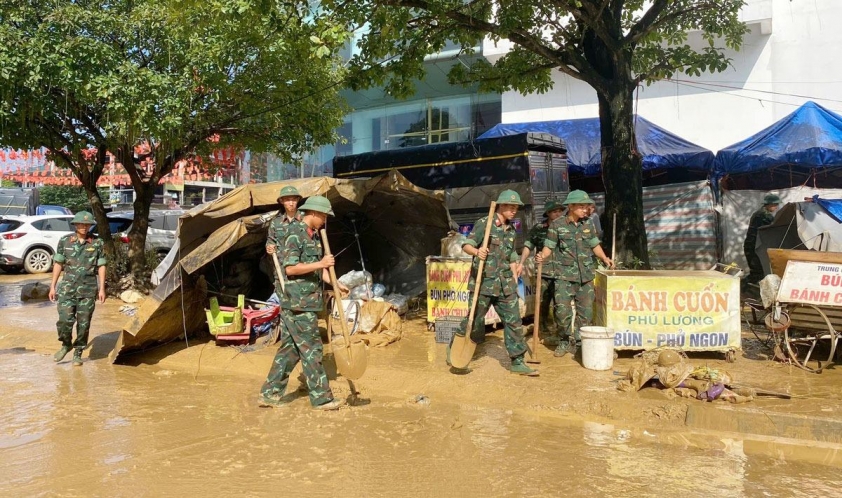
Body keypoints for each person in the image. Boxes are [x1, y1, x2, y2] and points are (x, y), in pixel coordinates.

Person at [259, 195, 349, 410]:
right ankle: (322, 398)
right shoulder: (294, 234)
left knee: (290, 350)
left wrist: (335, 283)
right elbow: (290, 269)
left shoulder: (314, 236)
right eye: (324, 216)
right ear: (315, 213)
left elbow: (317, 270)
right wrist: (321, 263)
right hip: (297, 302)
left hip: (307, 300)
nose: (325, 220)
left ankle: (269, 394)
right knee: (313, 349)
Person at [449, 190, 538, 376]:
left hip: (505, 285)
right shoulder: (485, 224)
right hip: (484, 284)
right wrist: (477, 252)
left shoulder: (512, 230)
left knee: (514, 321)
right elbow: (466, 244)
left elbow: (512, 255)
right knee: (474, 321)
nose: (514, 211)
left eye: (516, 208)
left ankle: (517, 361)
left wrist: (515, 277)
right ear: (501, 206)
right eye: (511, 207)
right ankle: (455, 350)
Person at [538, 190, 613, 358]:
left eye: (586, 206)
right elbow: (549, 246)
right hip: (564, 276)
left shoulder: (588, 224)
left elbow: (594, 244)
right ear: (570, 207)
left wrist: (604, 258)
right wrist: (542, 256)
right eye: (581, 206)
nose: (584, 209)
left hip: (585, 276)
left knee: (585, 313)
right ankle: (564, 340)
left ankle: (579, 342)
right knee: (562, 312)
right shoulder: (557, 224)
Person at [48, 211, 107, 366]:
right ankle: (66, 344)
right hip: (67, 289)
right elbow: (58, 264)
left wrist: (102, 288)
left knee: (84, 324)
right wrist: (52, 286)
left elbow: (101, 265)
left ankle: (78, 352)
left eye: (87, 224)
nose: (84, 227)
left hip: (88, 290)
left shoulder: (97, 242)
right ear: (75, 225)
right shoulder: (65, 241)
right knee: (64, 321)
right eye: (81, 224)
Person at [519, 199, 565, 345]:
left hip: (562, 272)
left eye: (559, 211)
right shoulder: (539, 228)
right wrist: (521, 262)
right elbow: (528, 245)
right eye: (554, 211)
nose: (557, 214)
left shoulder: (566, 227)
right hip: (543, 272)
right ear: (548, 214)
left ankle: (560, 334)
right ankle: (542, 329)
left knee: (561, 304)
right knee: (542, 303)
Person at [265, 185, 303, 287]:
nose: (291, 203)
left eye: (294, 200)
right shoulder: (276, 222)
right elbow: (270, 241)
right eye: (287, 200)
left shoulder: (305, 220)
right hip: (281, 271)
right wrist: (269, 248)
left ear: (298, 200)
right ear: (282, 201)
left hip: (302, 270)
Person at [743, 193, 781, 289]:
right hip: (753, 247)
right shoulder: (764, 215)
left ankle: (745, 290)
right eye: (775, 205)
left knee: (757, 272)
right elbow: (774, 226)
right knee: (757, 273)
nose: (776, 207)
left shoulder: (758, 213)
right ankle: (741, 288)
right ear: (769, 204)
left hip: (752, 246)